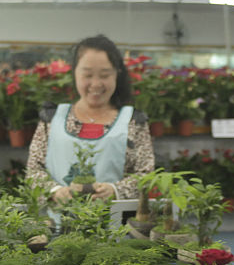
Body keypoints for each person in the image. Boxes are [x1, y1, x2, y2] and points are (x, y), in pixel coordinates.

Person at [26, 35, 154, 202]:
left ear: (117, 74)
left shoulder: (133, 122)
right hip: (57, 224)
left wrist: (115, 190)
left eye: (104, 75)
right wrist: (55, 190)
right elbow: (33, 170)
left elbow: (146, 175)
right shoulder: (51, 120)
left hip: (115, 225)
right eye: (87, 75)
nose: (96, 84)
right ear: (75, 73)